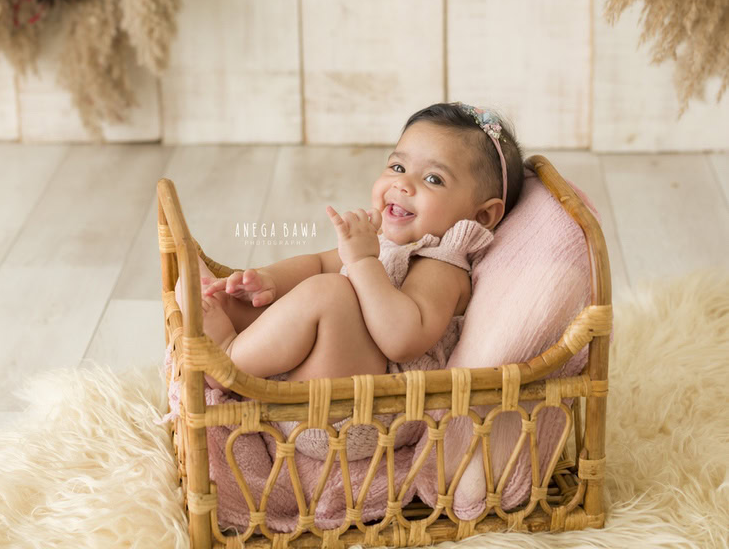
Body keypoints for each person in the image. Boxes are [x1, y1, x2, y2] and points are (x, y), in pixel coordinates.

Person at [176, 102, 525, 390]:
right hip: (317, 374)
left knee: (332, 293)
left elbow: (402, 340)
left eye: (433, 178)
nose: (402, 184)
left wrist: (361, 261)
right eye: (398, 166)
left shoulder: (443, 265)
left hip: (358, 412)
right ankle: (216, 305)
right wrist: (269, 280)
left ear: (482, 216)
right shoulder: (387, 238)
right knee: (258, 295)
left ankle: (227, 361)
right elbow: (317, 263)